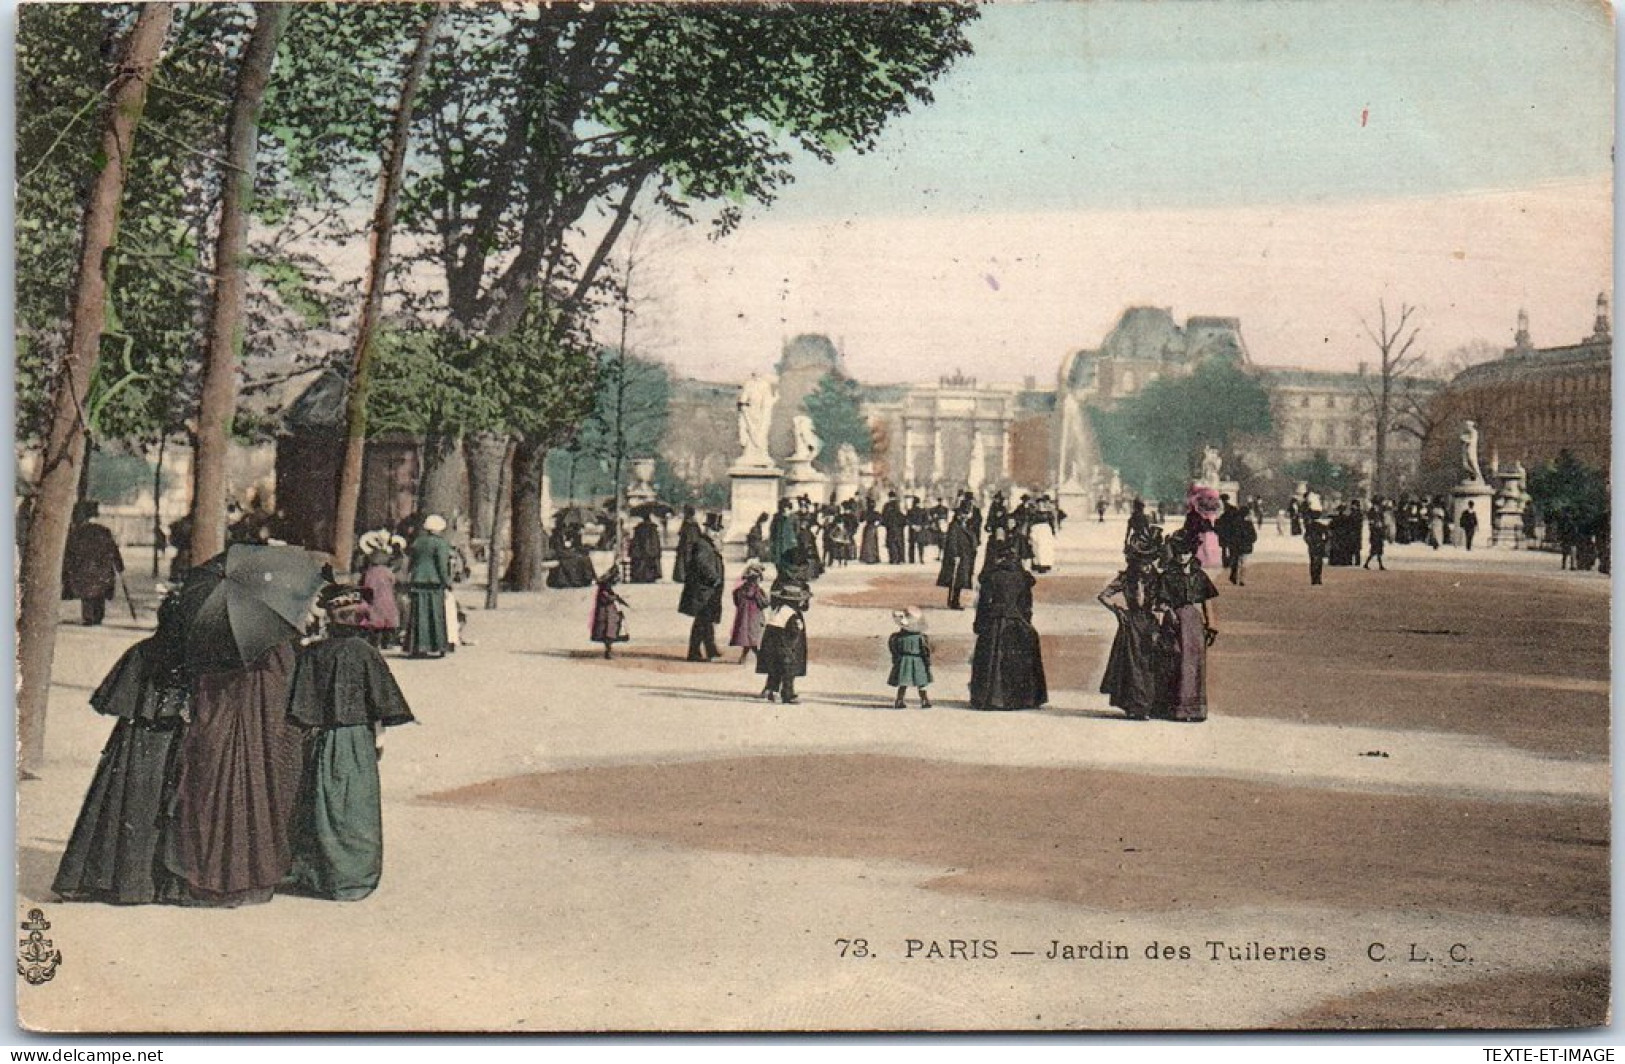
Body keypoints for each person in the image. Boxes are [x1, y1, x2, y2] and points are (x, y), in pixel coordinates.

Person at [53, 589, 192, 904]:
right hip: (170, 743)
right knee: (157, 808)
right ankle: (154, 883)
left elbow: (111, 698)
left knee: (121, 803)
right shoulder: (190, 659)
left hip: (135, 741)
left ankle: (109, 878)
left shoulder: (141, 652)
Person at [284, 588, 416, 901]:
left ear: (330, 618)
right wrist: (379, 738)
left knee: (325, 803)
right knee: (358, 806)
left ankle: (324, 874)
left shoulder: (315, 653)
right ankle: (357, 875)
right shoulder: (365, 652)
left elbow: (300, 707)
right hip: (358, 737)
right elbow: (382, 704)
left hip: (325, 737)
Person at [1098, 527, 1171, 721]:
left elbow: (1165, 601)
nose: (1146, 567)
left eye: (1149, 562)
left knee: (1149, 664)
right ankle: (1134, 706)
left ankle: (1148, 704)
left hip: (1150, 623)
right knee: (1132, 665)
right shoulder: (1125, 578)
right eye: (1143, 563)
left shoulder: (1159, 579)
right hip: (1131, 625)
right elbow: (1103, 595)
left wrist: (1162, 610)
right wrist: (1118, 611)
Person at [969, 546, 1047, 711]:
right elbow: (1026, 606)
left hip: (994, 621)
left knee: (991, 660)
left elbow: (983, 604)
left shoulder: (992, 577)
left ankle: (990, 698)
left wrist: (979, 625)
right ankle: (1021, 699)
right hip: (1016, 622)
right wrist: (1026, 623)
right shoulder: (1022, 578)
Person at [1157, 531, 1218, 723]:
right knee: (1175, 661)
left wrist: (1212, 625)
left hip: (1194, 623)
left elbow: (1206, 600)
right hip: (1175, 622)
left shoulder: (1199, 575)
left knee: (1195, 662)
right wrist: (1169, 614)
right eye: (1179, 552)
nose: (1182, 556)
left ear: (1192, 553)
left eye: (1186, 552)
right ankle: (1174, 708)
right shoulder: (1168, 576)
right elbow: (1160, 602)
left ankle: (1195, 709)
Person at [63, 501, 124, 626]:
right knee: (99, 593)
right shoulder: (104, 530)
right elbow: (113, 549)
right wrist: (119, 566)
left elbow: (70, 552)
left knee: (87, 594)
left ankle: (89, 617)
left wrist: (67, 568)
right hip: (102, 568)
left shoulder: (77, 532)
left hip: (84, 568)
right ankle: (98, 616)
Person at [404, 515, 453, 658]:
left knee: (418, 614)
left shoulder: (418, 542)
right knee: (435, 614)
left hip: (418, 580)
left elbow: (411, 562)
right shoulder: (441, 544)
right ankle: (437, 645)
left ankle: (418, 645)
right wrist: (447, 582)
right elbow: (442, 565)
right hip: (434, 582)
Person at [757, 579, 810, 704]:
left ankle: (772, 690)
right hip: (786, 646)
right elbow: (794, 631)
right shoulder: (792, 614)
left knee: (775, 669)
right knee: (788, 671)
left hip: (773, 644)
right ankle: (788, 694)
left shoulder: (779, 610)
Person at [680, 516, 725, 662]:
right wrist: (714, 578)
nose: (716, 533)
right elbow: (702, 564)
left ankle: (710, 648)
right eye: (713, 530)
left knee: (707, 620)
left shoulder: (708, 544)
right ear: (706, 529)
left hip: (708, 590)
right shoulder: (702, 544)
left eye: (718, 530)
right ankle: (694, 653)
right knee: (702, 621)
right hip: (703, 590)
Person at [356, 536, 401, 648]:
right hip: (387, 599)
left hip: (374, 599)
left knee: (374, 621)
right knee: (388, 620)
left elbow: (365, 585)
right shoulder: (387, 572)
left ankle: (374, 642)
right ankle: (387, 642)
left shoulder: (369, 572)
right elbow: (393, 582)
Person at [887, 607, 933, 709]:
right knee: (921, 683)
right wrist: (927, 661)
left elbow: (893, 649)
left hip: (903, 660)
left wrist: (896, 659)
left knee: (903, 683)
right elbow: (926, 651)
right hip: (918, 660)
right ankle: (924, 700)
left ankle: (899, 700)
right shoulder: (921, 637)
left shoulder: (896, 637)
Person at [729, 561, 770, 664]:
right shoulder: (758, 592)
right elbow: (764, 603)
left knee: (747, 638)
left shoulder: (739, 591)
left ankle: (744, 657)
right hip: (755, 618)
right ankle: (760, 658)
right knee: (753, 639)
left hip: (743, 618)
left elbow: (736, 601)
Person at [937, 508, 976, 610]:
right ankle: (953, 601)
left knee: (960, 580)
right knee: (955, 580)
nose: (965, 517)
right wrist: (955, 555)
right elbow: (952, 542)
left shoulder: (966, 525)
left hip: (965, 556)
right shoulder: (954, 526)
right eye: (963, 514)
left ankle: (955, 600)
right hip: (958, 556)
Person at [588, 570, 630, 658]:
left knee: (610, 633)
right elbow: (606, 599)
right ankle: (608, 651)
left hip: (610, 615)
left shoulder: (606, 590)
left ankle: (608, 650)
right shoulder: (604, 591)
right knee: (608, 633)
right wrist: (615, 598)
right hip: (606, 615)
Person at [628, 514, 663, 583]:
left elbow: (635, 540)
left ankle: (640, 576)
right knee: (649, 562)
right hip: (651, 550)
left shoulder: (639, 528)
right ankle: (650, 577)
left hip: (640, 550)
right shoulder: (653, 528)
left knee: (642, 562)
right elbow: (655, 541)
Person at [1228, 504, 1256, 586]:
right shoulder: (1248, 524)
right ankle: (1242, 579)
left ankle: (1234, 577)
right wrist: (1249, 541)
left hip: (1236, 545)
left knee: (1236, 562)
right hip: (1246, 546)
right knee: (1244, 563)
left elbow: (1231, 534)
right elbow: (1254, 536)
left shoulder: (1234, 523)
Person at [672, 506, 699, 585]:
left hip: (685, 544)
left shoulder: (686, 522)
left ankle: (682, 576)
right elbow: (699, 534)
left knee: (683, 560)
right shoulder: (695, 523)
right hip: (693, 543)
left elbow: (681, 533)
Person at [881, 493, 906, 564]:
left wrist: (885, 524)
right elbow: (903, 516)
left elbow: (883, 517)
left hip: (890, 527)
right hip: (898, 527)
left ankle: (893, 558)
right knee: (899, 543)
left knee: (891, 543)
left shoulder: (886, 506)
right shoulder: (899, 504)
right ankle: (900, 559)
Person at [1305, 516, 1329, 586]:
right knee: (1318, 562)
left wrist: (1309, 542)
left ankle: (1315, 579)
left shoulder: (1310, 527)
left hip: (1314, 546)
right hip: (1318, 545)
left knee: (1314, 562)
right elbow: (1327, 532)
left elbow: (1306, 537)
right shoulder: (1319, 526)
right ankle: (1317, 578)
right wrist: (1324, 541)